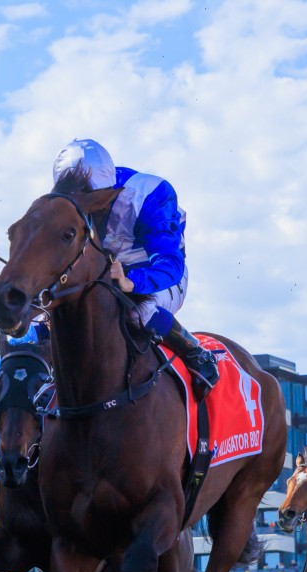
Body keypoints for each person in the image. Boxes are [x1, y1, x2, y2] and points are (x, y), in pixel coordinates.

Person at [52, 139, 218, 397]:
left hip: (155, 276)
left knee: (137, 312)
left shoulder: (150, 194)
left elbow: (170, 264)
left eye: (90, 201)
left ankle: (195, 352)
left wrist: (131, 280)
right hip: (101, 278)